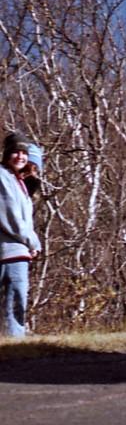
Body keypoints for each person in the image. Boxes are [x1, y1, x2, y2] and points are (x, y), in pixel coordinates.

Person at [0, 133, 42, 337]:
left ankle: (14, 342)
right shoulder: (2, 177)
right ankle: (14, 341)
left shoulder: (19, 182)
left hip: (17, 251)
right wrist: (32, 242)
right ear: (7, 155)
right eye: (15, 152)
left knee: (16, 302)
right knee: (15, 300)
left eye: (24, 153)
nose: (20, 156)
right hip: (7, 250)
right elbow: (10, 217)